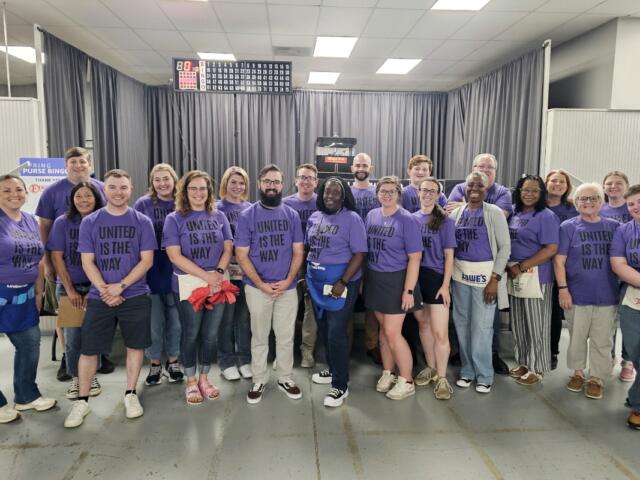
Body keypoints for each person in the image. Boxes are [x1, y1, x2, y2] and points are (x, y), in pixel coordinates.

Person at [64, 169, 156, 428]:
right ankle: (82, 401)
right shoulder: (90, 222)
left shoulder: (142, 221)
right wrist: (106, 289)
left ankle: (130, 394)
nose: (118, 192)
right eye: (113, 187)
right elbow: (87, 261)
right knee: (88, 349)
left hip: (135, 295)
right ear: (104, 189)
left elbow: (147, 260)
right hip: (99, 296)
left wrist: (122, 286)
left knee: (135, 346)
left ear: (131, 189)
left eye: (123, 187)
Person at [35, 147, 111, 380]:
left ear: (90, 165)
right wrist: (48, 264)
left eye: (83, 162)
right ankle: (69, 359)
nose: (78, 166)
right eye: (73, 162)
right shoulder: (52, 194)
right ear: (66, 165)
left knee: (96, 323)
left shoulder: (101, 188)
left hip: (99, 277)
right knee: (69, 321)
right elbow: (45, 229)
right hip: (68, 269)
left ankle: (99, 356)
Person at [235, 164, 304, 404]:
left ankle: (285, 377)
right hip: (257, 288)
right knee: (260, 335)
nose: (272, 186)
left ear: (283, 185)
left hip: (287, 287)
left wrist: (287, 281)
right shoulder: (247, 216)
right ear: (260, 184)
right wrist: (261, 284)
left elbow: (298, 252)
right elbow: (241, 255)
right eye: (267, 181)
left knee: (285, 336)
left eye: (276, 182)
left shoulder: (292, 215)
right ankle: (259, 379)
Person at [163, 171, 233, 404]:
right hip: (189, 285)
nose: (198, 193)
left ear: (209, 191)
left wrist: (219, 274)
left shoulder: (219, 216)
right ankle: (190, 380)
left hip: (217, 284)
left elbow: (227, 248)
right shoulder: (174, 219)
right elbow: (174, 256)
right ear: (184, 192)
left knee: (211, 335)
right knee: (191, 333)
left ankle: (204, 378)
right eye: (193, 188)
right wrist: (207, 276)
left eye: (203, 188)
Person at [446, 153, 512, 375]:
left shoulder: (494, 213)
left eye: (479, 186)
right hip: (460, 276)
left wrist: (495, 279)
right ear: (464, 189)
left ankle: (484, 373)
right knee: (462, 324)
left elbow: (505, 249)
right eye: (470, 185)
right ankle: (467, 369)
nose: (474, 188)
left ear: (486, 190)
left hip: (485, 278)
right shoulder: (456, 213)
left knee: (482, 327)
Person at [555, 182, 620, 400]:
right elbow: (559, 261)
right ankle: (578, 373)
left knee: (603, 340)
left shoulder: (614, 227)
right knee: (577, 337)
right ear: (576, 203)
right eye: (582, 198)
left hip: (607, 294)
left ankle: (596, 378)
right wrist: (563, 289)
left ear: (601, 202)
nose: (588, 202)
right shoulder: (568, 227)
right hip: (576, 294)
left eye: (593, 198)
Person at [306, 178, 367, 407]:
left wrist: (343, 281)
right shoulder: (314, 217)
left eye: (335, 193)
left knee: (336, 331)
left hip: (341, 283)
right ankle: (332, 370)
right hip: (316, 282)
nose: (329, 196)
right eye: (326, 192)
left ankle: (341, 386)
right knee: (323, 327)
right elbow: (310, 249)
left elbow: (360, 254)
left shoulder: (352, 219)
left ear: (344, 197)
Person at [0, 175, 56, 424]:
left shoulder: (30, 221)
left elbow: (40, 260)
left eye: (19, 189)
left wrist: (39, 292)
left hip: (24, 295)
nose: (14, 194)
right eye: (6, 190)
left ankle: (26, 395)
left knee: (30, 344)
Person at [364, 176, 423, 400]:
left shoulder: (407, 220)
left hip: (397, 280)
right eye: (383, 191)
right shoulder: (372, 215)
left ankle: (407, 380)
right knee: (383, 330)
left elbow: (415, 258)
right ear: (377, 193)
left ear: (399, 194)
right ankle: (388, 372)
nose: (387, 195)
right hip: (375, 278)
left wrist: (408, 290)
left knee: (392, 332)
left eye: (391, 191)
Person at [47, 182, 104, 399]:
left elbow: (108, 260)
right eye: (78, 196)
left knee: (93, 335)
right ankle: (76, 379)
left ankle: (91, 376)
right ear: (72, 199)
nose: (83, 200)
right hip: (70, 287)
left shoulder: (103, 220)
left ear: (96, 198)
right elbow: (57, 257)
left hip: (96, 288)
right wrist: (69, 289)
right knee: (72, 337)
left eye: (88, 195)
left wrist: (96, 289)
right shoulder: (63, 222)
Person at [506, 175, 559, 386]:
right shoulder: (515, 213)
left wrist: (523, 266)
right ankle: (524, 361)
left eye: (534, 191)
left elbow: (551, 248)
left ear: (541, 193)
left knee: (537, 323)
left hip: (536, 275)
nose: (529, 194)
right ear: (519, 192)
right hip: (515, 273)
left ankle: (538, 367)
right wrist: (513, 267)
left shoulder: (546, 216)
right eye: (525, 190)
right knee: (519, 322)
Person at [133, 164, 183, 386]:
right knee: (153, 322)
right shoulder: (142, 204)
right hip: (151, 268)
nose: (162, 183)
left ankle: (173, 361)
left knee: (176, 320)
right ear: (152, 183)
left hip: (177, 266)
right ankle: (154, 364)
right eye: (157, 180)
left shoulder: (183, 203)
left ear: (174, 180)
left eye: (166, 179)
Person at [412, 178, 456, 400]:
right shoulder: (411, 219)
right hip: (415, 278)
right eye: (424, 190)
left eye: (432, 191)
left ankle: (442, 377)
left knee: (441, 332)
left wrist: (445, 285)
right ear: (418, 192)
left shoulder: (445, 221)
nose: (427, 194)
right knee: (423, 324)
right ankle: (430, 367)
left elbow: (449, 256)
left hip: (436, 278)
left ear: (439, 194)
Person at [216, 166, 253, 381]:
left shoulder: (251, 208)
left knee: (243, 319)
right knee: (225, 319)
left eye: (242, 183)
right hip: (224, 273)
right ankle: (226, 361)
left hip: (246, 273)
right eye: (233, 182)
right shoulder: (215, 208)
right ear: (225, 184)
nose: (238, 187)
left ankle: (244, 359)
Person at [610, 184, 640, 429]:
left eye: (639, 201)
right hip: (632, 298)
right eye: (631, 204)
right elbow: (618, 264)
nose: (636, 207)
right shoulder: (624, 231)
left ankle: (638, 405)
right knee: (636, 350)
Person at [601, 171, 635, 382]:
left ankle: (628, 362)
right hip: (605, 272)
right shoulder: (600, 208)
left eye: (618, 183)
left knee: (629, 320)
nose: (613, 186)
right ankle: (609, 357)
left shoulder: (632, 208)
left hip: (629, 273)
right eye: (609, 183)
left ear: (626, 186)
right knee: (607, 319)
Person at [283, 163, 318, 368]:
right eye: (302, 177)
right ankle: (283, 352)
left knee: (310, 311)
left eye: (310, 178)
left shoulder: (322, 203)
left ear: (316, 182)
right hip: (288, 264)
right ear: (296, 180)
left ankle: (307, 351)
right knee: (286, 309)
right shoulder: (285, 204)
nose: (306, 181)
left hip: (314, 264)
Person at [545, 169, 578, 370]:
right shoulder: (536, 206)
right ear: (546, 183)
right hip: (537, 267)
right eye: (553, 180)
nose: (557, 184)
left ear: (567, 187)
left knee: (554, 313)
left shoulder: (572, 209)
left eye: (562, 182)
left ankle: (552, 351)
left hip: (560, 268)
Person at [350, 153, 381, 364]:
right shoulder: (346, 192)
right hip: (350, 253)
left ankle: (372, 344)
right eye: (358, 164)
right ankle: (346, 343)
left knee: (372, 301)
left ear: (372, 167)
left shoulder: (378, 192)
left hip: (374, 253)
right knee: (348, 299)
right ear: (352, 168)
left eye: (365, 165)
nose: (361, 168)